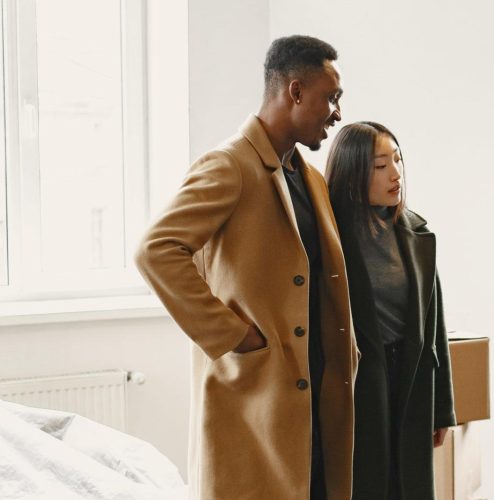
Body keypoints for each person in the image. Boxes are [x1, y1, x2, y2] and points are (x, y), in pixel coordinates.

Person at [135, 35, 358, 500]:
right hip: (257, 393)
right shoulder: (230, 165)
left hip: (314, 389)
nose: (337, 113)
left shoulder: (309, 177)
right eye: (331, 98)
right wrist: (232, 334)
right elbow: (157, 249)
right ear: (295, 92)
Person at [325, 122, 456, 500]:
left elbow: (435, 325)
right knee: (367, 485)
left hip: (412, 379)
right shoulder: (330, 237)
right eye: (381, 165)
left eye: (397, 159)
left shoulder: (415, 233)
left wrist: (442, 407)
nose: (396, 174)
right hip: (360, 380)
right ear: (353, 173)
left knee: (410, 486)